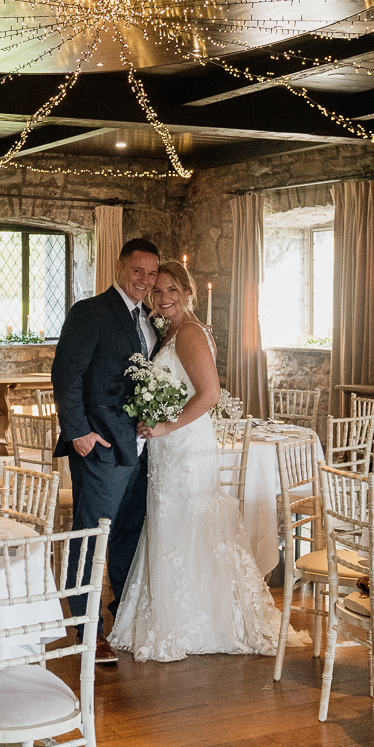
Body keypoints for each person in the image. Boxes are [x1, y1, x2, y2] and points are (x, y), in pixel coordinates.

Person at [108, 261, 279, 662]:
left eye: (171, 290)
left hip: (184, 446)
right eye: (158, 291)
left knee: (185, 522)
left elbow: (210, 395)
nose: (162, 296)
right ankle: (176, 613)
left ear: (187, 292)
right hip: (170, 447)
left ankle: (196, 622)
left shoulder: (189, 333)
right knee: (173, 524)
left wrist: (166, 426)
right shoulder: (173, 331)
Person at [52, 238, 161, 666]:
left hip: (141, 448)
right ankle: (86, 630)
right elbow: (66, 374)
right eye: (138, 271)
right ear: (120, 267)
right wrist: (78, 432)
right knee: (90, 539)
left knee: (128, 537)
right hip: (99, 446)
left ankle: (123, 620)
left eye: (152, 274)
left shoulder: (152, 319)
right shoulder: (90, 311)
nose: (145, 281)